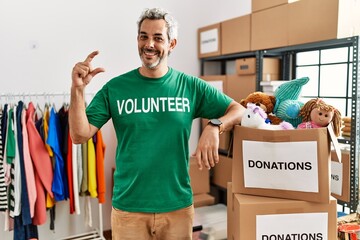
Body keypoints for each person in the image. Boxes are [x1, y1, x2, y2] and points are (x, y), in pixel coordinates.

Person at [69, 7, 245, 240]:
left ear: (171, 44)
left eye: (157, 37)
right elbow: (79, 135)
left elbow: (239, 110)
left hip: (177, 208)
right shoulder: (116, 88)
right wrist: (78, 90)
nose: (149, 44)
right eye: (143, 36)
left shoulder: (190, 86)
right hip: (128, 209)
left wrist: (214, 126)